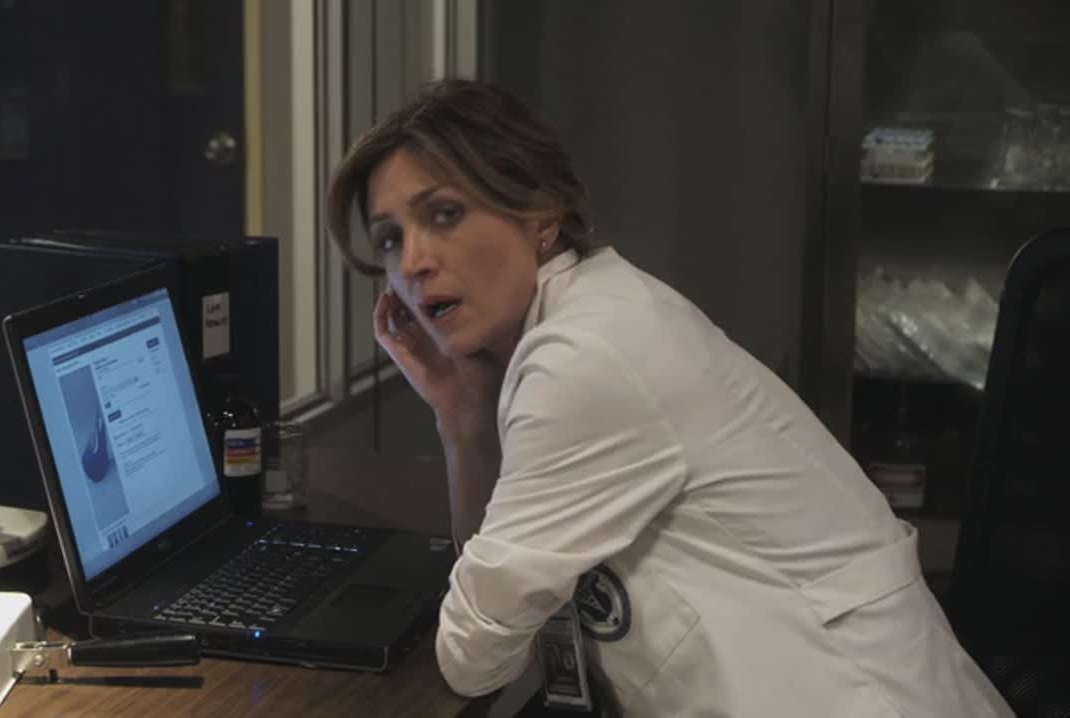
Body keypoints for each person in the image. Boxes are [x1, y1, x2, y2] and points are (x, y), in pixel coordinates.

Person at [325, 78, 1013, 717]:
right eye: (389, 239)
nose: (412, 262)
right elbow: (513, 641)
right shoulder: (595, 315)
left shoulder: (587, 354)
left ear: (540, 214)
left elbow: (474, 659)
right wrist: (462, 417)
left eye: (444, 214)